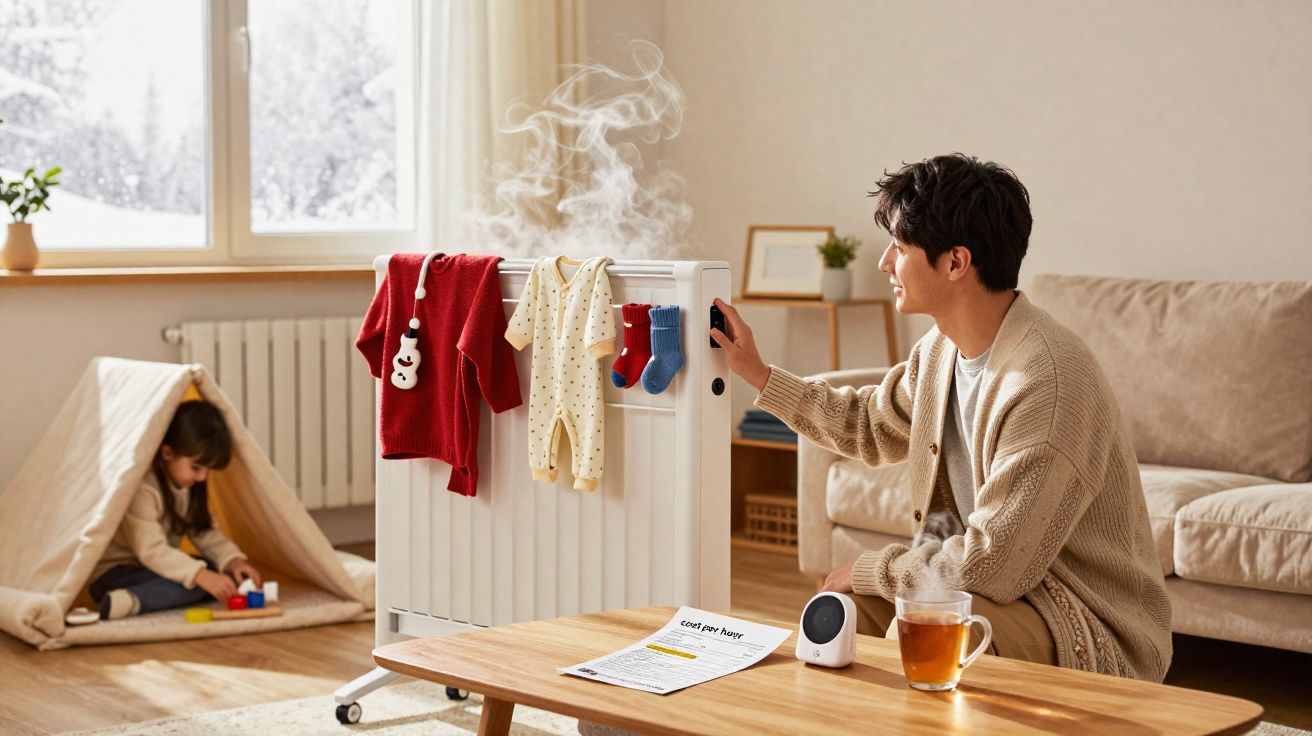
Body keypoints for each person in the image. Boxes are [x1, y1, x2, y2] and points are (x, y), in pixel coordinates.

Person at [709, 153, 1171, 681]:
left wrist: (871, 568)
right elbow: (868, 425)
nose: (885, 264)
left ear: (955, 262)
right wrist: (760, 375)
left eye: (900, 248)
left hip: (1082, 619)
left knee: (937, 630)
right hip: (999, 590)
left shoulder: (1048, 382)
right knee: (840, 622)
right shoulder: (941, 351)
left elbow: (992, 564)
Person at [89, 401, 262, 620]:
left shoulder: (189, 487)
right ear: (168, 453)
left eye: (207, 470)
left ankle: (138, 598)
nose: (202, 478)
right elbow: (150, 550)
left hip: (152, 571)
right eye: (196, 467)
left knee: (211, 570)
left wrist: (233, 561)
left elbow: (203, 532)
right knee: (200, 579)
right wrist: (199, 575)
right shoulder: (142, 488)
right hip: (114, 575)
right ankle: (130, 601)